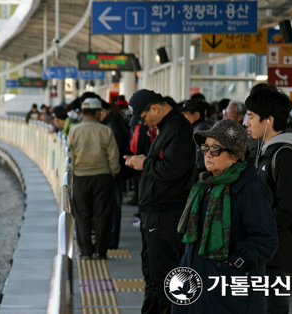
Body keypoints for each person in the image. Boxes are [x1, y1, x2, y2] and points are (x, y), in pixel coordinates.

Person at [173, 119, 278, 314]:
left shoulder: (250, 190)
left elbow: (265, 241)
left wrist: (231, 262)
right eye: (205, 148)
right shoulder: (205, 186)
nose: (207, 154)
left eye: (215, 149)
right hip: (195, 286)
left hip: (228, 295)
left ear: (235, 156)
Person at [124, 89, 196, 314]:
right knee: (153, 273)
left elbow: (174, 169)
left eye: (144, 118)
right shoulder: (167, 127)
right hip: (156, 213)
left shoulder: (178, 128)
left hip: (166, 214)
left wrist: (143, 164)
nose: (144, 123)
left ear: (155, 108)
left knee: (165, 275)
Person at [245, 89, 292, 314]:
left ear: (269, 120)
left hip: (279, 248)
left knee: (274, 307)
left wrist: (261, 229)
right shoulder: (267, 152)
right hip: (267, 246)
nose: (246, 122)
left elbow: (291, 205)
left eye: (251, 116)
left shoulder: (284, 154)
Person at [68, 98, 120, 260]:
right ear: (98, 113)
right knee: (102, 215)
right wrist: (112, 174)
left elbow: (69, 156)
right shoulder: (106, 131)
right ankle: (100, 252)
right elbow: (113, 157)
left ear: (83, 112)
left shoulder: (74, 130)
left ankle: (85, 252)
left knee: (82, 215)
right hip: (102, 177)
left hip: (81, 178)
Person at [100, 99, 131, 249]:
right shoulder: (113, 122)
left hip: (113, 172)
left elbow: (114, 152)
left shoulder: (112, 125)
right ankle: (110, 239)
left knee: (113, 206)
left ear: (103, 112)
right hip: (114, 171)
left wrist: (112, 171)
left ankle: (111, 241)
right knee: (113, 206)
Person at [180, 100, 213, 180]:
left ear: (197, 115)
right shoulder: (199, 127)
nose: (182, 118)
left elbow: (200, 163)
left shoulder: (200, 130)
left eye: (185, 115)